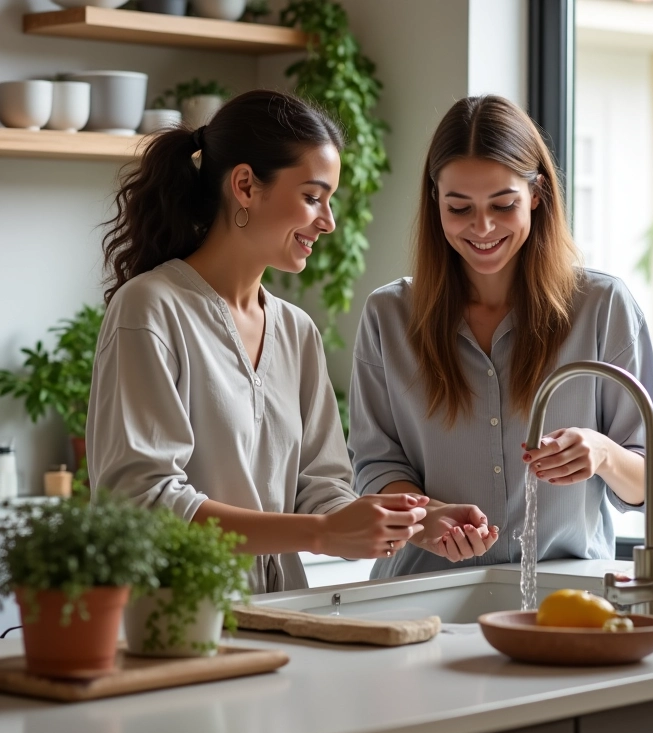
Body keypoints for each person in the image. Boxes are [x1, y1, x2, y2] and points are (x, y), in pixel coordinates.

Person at [86, 89, 428, 594]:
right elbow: (143, 500)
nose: (328, 221)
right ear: (245, 185)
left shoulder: (296, 330)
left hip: (280, 617)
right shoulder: (151, 309)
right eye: (312, 197)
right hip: (175, 623)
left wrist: (416, 520)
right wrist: (320, 533)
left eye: (329, 201)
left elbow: (322, 487)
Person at [347, 94, 653, 580]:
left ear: (537, 194)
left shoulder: (603, 307)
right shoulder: (389, 315)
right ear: (435, 199)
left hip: (564, 597)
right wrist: (426, 519)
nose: (482, 228)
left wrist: (602, 452)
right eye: (459, 208)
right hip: (420, 593)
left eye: (503, 204)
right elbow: (375, 465)